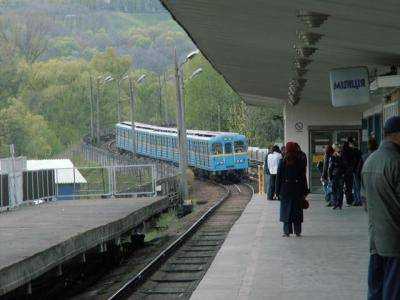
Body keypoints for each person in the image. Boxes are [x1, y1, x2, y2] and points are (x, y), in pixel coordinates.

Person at [361, 116, 400, 299]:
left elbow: (365, 202)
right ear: (397, 136)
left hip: (376, 238)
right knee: (393, 290)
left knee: (375, 288)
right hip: (395, 240)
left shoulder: (370, 160)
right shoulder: (396, 161)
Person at [275, 142, 308, 237]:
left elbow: (278, 178)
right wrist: (304, 190)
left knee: (286, 211)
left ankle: (286, 232)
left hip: (285, 189)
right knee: (297, 211)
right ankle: (298, 231)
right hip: (297, 188)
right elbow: (303, 177)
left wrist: (277, 191)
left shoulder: (282, 161)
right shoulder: (299, 161)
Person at [328, 144, 345, 210]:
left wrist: (340, 157)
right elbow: (331, 167)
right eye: (336, 148)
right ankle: (335, 204)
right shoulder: (332, 156)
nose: (337, 150)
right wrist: (330, 176)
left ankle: (339, 204)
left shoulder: (342, 156)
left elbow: (344, 165)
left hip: (340, 175)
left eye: (338, 148)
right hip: (334, 176)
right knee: (334, 190)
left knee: (340, 190)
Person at [348, 137, 363, 206]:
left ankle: (358, 200)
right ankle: (358, 199)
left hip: (355, 171)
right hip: (357, 170)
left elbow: (354, 162)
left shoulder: (354, 151)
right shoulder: (358, 151)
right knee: (356, 186)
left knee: (357, 186)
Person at [341, 141, 355, 206]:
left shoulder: (343, 152)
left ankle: (348, 200)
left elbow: (342, 162)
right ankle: (350, 200)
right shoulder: (351, 151)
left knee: (345, 187)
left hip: (344, 172)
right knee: (350, 186)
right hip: (350, 171)